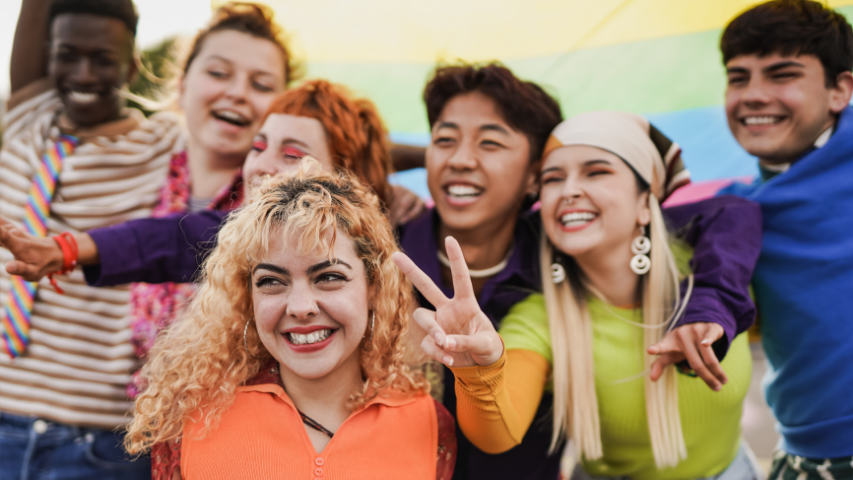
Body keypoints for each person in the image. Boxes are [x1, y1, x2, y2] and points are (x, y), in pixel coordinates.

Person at [393, 111, 764, 479]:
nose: (568, 190)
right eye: (553, 179)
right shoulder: (539, 314)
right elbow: (498, 435)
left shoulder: (717, 268)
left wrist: (711, 306)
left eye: (596, 171)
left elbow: (738, 212)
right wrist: (477, 372)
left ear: (644, 201)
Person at [124, 159, 456, 480]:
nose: (299, 306)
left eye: (328, 276)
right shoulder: (191, 419)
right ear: (247, 296)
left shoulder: (428, 425)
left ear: (373, 286)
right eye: (271, 281)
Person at [0, 0, 182, 477]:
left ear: (132, 64)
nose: (82, 74)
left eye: (102, 59)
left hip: (95, 443)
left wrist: (386, 176)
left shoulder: (161, 144)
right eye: (67, 55)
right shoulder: (25, 120)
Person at [128, 1, 295, 397]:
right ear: (182, 86)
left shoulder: (279, 201)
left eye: (262, 85)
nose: (237, 92)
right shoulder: (139, 161)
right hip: (125, 434)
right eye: (219, 73)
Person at [716, 1, 853, 477]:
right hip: (808, 457)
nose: (753, 95)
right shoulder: (734, 211)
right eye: (738, 77)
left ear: (841, 90)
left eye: (781, 74)